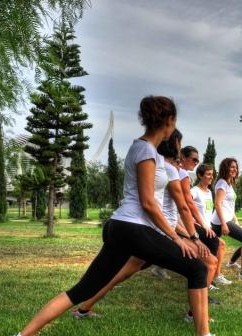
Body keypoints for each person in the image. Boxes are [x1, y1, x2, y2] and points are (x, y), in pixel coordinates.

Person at [6, 96, 229, 336]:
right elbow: (147, 202)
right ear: (168, 121)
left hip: (120, 227)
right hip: (132, 227)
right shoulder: (145, 151)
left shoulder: (144, 149)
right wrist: (178, 238)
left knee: (84, 288)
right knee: (197, 269)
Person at [72, 130, 219, 316]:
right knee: (209, 263)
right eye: (192, 158)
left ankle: (84, 308)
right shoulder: (174, 172)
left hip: (158, 229)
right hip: (159, 231)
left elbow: (171, 208)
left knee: (122, 273)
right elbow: (182, 206)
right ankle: (195, 316)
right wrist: (193, 237)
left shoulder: (166, 168)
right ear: (175, 148)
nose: (194, 162)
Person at [213, 158, 242, 280]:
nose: (235, 169)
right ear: (225, 168)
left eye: (236, 167)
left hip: (225, 219)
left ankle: (214, 273)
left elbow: (229, 206)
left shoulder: (228, 184)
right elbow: (217, 204)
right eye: (232, 167)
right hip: (220, 221)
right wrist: (224, 224)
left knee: (212, 247)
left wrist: (235, 220)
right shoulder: (222, 183)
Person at [188, 162, 230, 289]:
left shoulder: (209, 192)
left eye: (212, 174)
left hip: (207, 227)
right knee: (217, 244)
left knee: (221, 244)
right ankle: (209, 279)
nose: (211, 177)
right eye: (208, 174)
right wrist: (193, 222)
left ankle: (215, 275)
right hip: (197, 228)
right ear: (200, 176)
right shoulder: (194, 191)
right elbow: (184, 208)